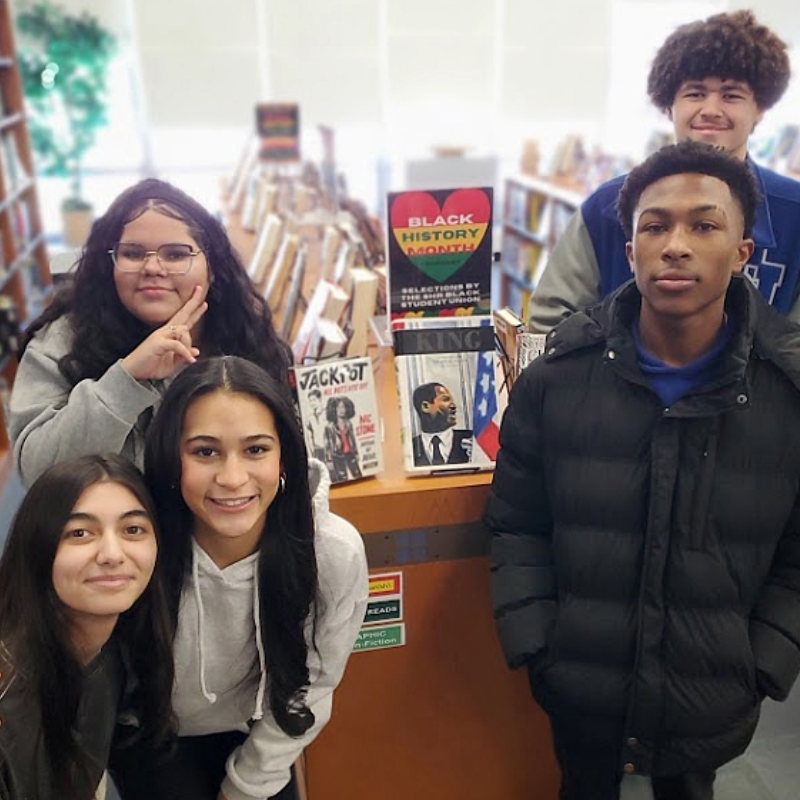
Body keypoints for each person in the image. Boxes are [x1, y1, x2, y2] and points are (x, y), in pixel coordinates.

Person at [485, 142, 800, 800]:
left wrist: (764, 662)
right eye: (655, 225)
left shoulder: (786, 395)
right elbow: (517, 522)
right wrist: (540, 646)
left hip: (713, 690)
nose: (676, 245)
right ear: (629, 252)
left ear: (742, 253)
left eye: (704, 225)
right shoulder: (556, 382)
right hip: (581, 686)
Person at [109, 355, 368, 800]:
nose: (232, 478)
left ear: (284, 456)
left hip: (259, 725)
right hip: (148, 727)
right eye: (205, 451)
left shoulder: (332, 551)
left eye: (256, 449)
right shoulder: (135, 538)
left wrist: (246, 786)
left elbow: (314, 682)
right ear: (173, 456)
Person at [528, 10, 800, 331]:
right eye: (695, 93)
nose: (711, 110)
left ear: (761, 109)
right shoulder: (605, 208)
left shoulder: (794, 215)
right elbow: (550, 321)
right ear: (670, 105)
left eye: (731, 95)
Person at [9, 178, 291, 487]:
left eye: (175, 254)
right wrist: (128, 379)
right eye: (133, 253)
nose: (153, 267)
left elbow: (291, 458)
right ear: (110, 265)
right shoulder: (62, 340)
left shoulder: (248, 336)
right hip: (119, 531)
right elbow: (39, 472)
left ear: (212, 267)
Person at [0, 454, 174, 800]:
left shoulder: (115, 651)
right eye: (80, 533)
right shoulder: (9, 687)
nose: (112, 553)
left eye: (133, 530)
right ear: (38, 547)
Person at [411, 382, 473, 466]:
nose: (453, 406)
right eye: (446, 400)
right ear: (425, 406)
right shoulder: (410, 448)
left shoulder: (472, 440)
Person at [323, 396, 362, 482]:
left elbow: (353, 439)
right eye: (338, 407)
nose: (341, 410)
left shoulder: (349, 424)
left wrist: (356, 453)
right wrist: (329, 460)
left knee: (358, 475)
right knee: (342, 479)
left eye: (343, 407)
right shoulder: (329, 427)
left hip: (350, 453)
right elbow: (327, 445)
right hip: (337, 456)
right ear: (334, 409)